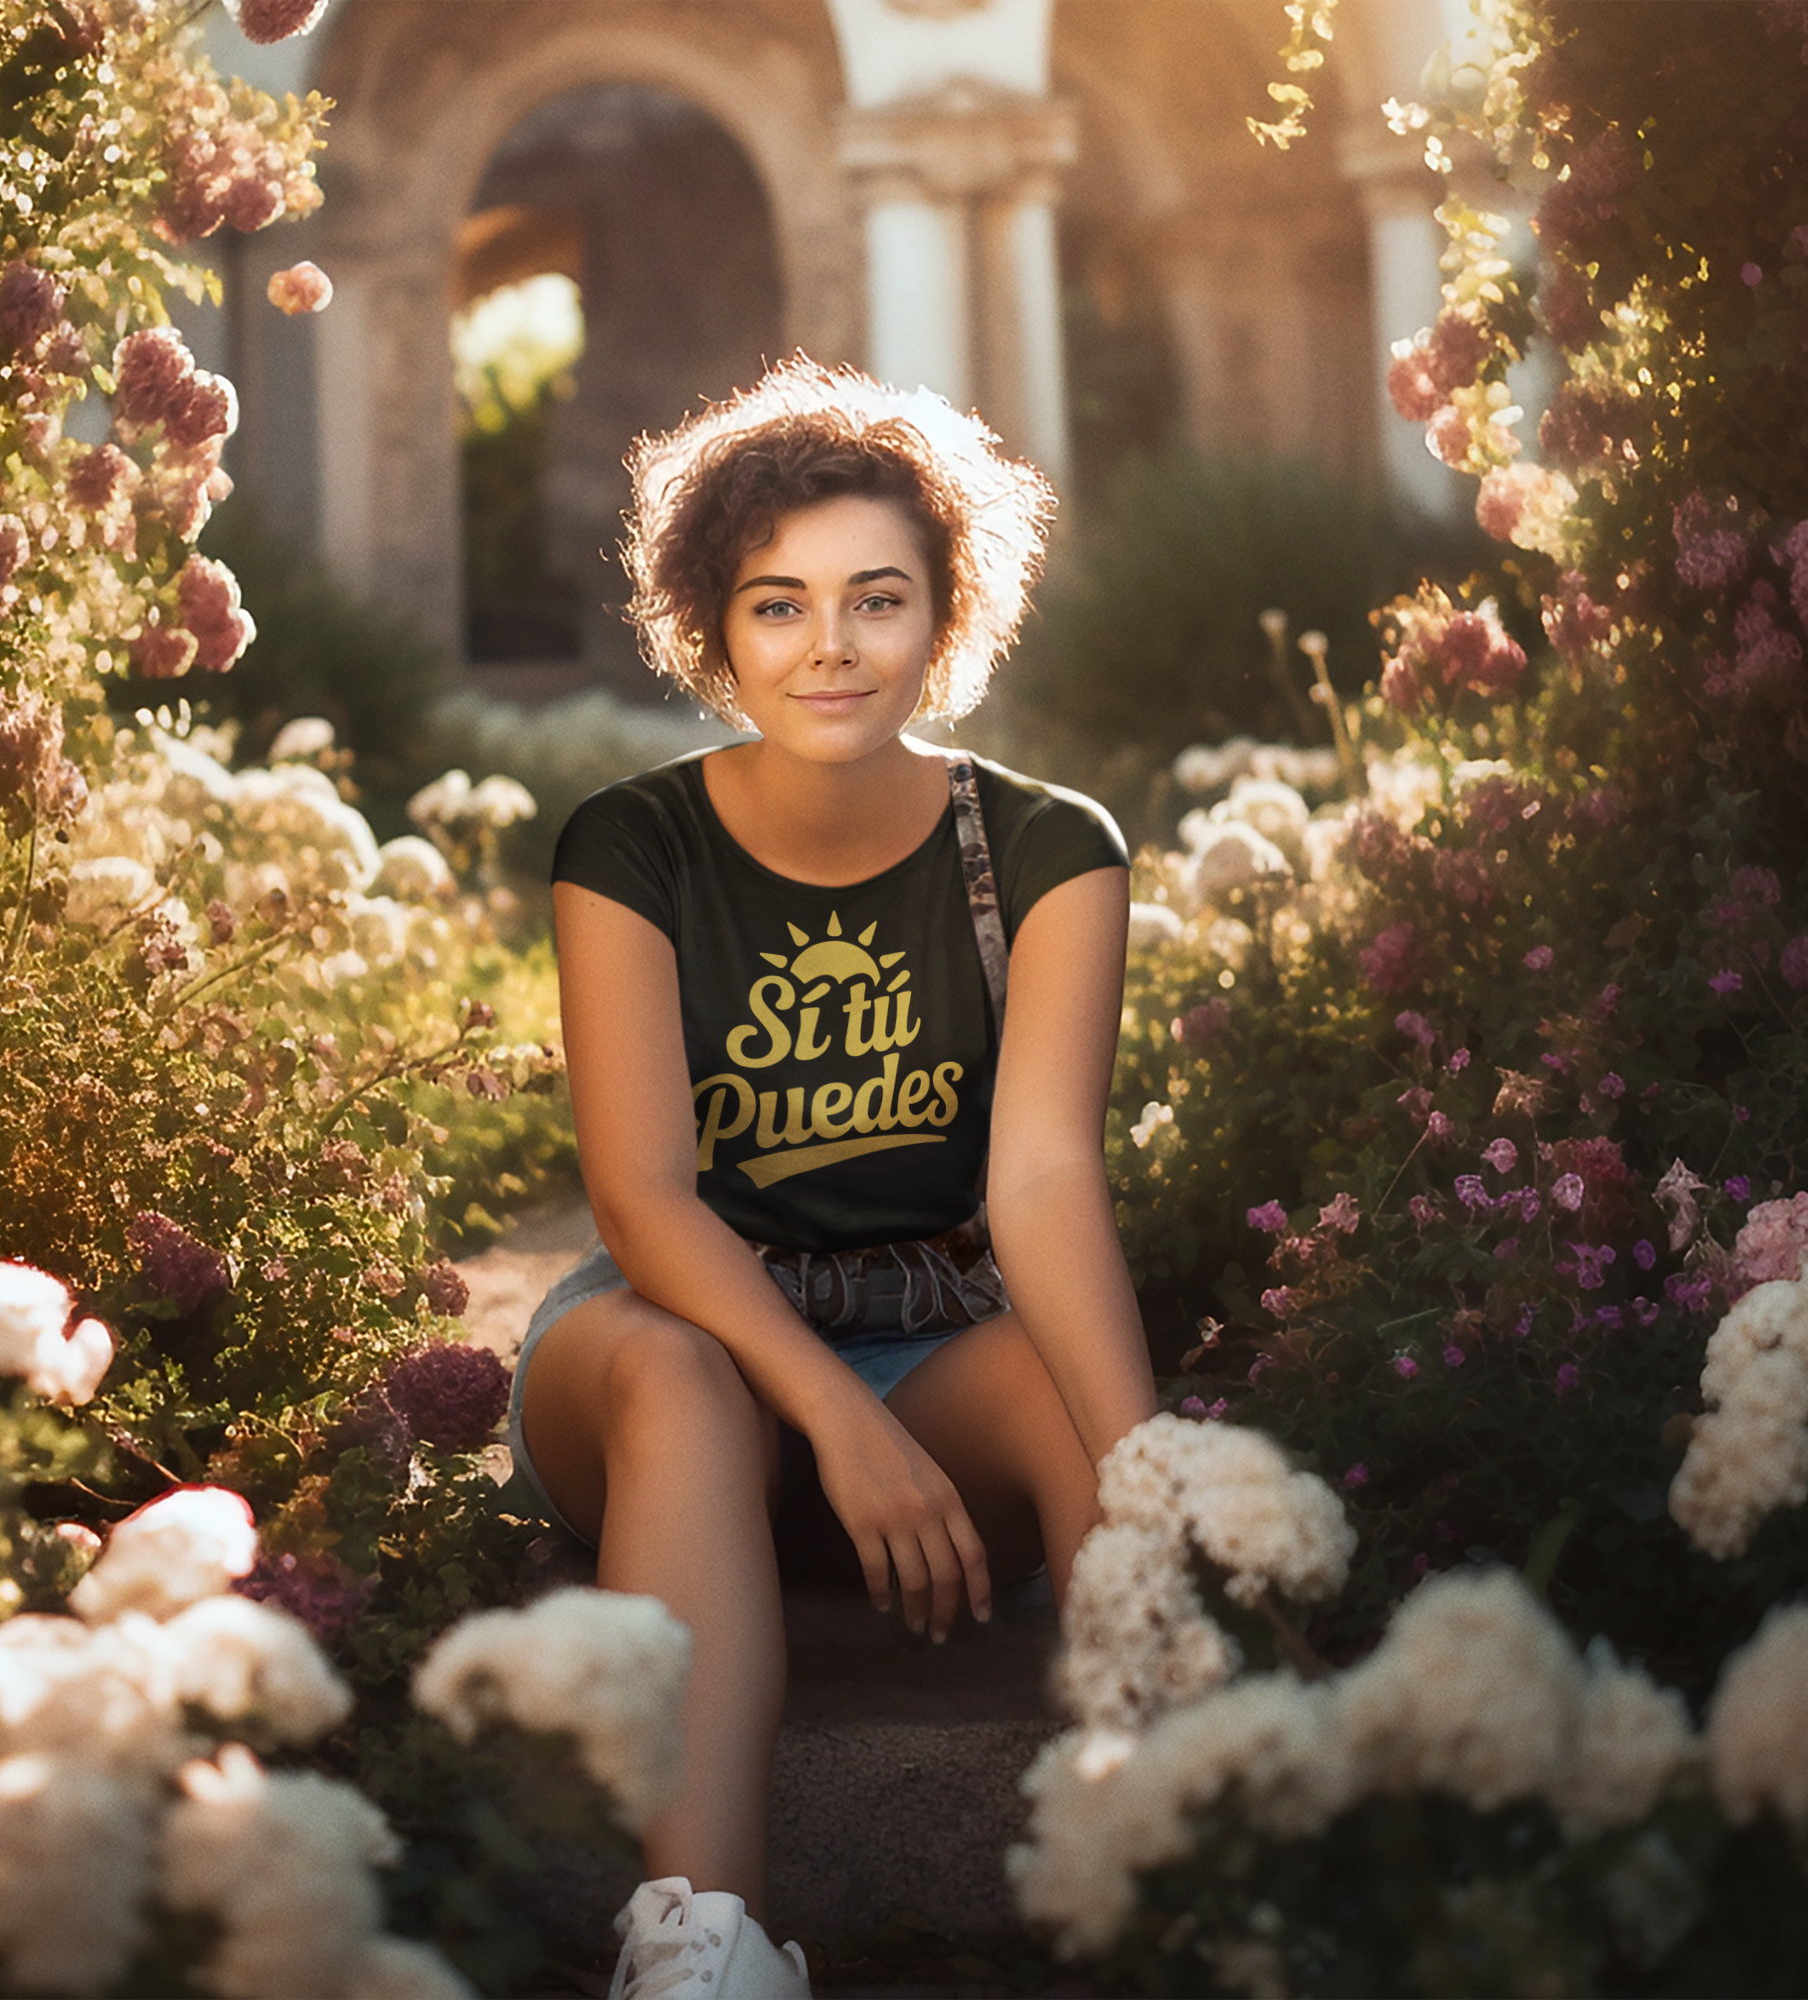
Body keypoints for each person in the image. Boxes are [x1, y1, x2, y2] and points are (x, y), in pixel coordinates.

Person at [507, 357, 1159, 2000]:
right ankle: (702, 1948)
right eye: (778, 606)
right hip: (684, 1348)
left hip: (935, 1339)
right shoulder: (632, 845)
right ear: (712, 630)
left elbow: (1044, 1185)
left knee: (1081, 1409)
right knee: (671, 1367)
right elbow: (646, 1200)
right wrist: (839, 1418)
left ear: (945, 613)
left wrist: (1153, 1476)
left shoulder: (1047, 846)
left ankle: (1171, 1853)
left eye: (876, 599)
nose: (830, 648)